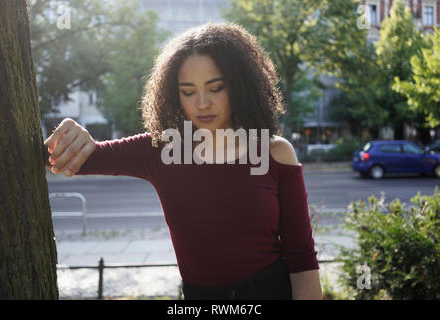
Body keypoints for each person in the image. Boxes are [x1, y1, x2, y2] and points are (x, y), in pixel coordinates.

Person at [44, 22, 322, 300]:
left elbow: (302, 260)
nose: (202, 103)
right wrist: (72, 131)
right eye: (188, 91)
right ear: (174, 93)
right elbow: (59, 157)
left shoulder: (275, 152)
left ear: (240, 84)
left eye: (215, 88)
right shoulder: (160, 149)